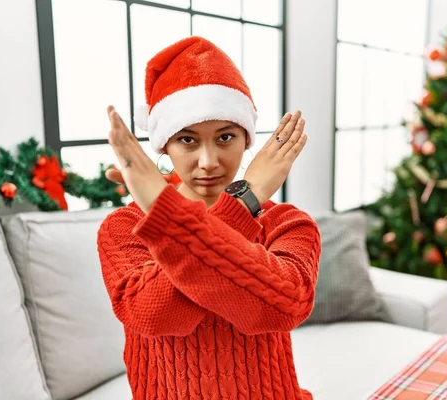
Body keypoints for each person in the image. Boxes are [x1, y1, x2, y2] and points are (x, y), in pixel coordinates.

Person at [97, 36, 321, 400]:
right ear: (164, 145)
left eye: (225, 137)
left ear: (246, 141)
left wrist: (237, 204)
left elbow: (284, 307)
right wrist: (243, 201)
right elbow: (154, 315)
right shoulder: (125, 227)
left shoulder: (286, 222)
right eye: (187, 140)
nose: (208, 162)